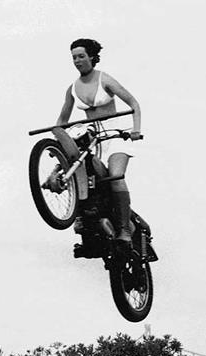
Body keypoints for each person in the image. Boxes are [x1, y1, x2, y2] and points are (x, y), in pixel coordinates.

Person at [56, 38, 142, 249]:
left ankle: (124, 231)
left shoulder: (105, 79)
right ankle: (85, 223)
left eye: (81, 56)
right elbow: (61, 123)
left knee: (115, 177)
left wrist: (136, 130)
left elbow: (134, 104)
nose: (77, 61)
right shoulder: (73, 89)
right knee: (77, 176)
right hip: (92, 141)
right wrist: (57, 141)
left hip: (114, 137)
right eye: (74, 57)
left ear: (92, 57)